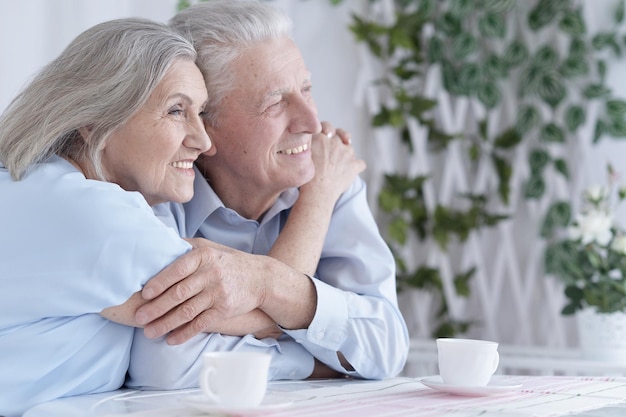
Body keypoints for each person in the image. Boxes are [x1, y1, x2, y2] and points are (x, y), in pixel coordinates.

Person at [0, 16, 357, 416]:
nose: (203, 141)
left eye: (201, 112)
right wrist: (320, 194)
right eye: (175, 111)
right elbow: (264, 296)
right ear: (94, 120)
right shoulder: (96, 218)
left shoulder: (25, 185)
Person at [126, 0, 409, 389]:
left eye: (306, 88)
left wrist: (266, 284)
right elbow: (165, 364)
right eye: (275, 102)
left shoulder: (330, 174)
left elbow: (387, 344)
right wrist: (320, 358)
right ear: (204, 125)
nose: (311, 121)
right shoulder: (154, 188)